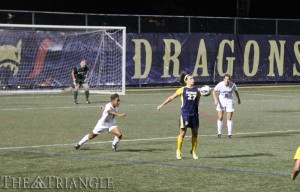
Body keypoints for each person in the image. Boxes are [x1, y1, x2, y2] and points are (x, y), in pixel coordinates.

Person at [157, 72, 201, 160]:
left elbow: (198, 102)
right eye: (191, 79)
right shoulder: (182, 90)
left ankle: (194, 151)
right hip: (185, 114)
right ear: (186, 81)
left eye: (193, 78)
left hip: (194, 115)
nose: (193, 80)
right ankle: (179, 151)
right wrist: (162, 105)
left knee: (195, 133)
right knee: (183, 133)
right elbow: (171, 98)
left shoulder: (198, 90)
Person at [212, 74, 241, 139]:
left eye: (228, 79)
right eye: (225, 79)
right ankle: (219, 133)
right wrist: (215, 99)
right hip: (221, 100)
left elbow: (236, 91)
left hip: (229, 101)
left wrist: (238, 99)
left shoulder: (232, 85)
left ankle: (229, 134)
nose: (227, 81)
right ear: (223, 79)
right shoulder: (220, 84)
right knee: (220, 117)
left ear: (230, 80)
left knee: (229, 118)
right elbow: (214, 91)